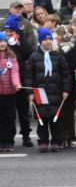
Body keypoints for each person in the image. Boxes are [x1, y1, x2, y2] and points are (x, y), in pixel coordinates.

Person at [25, 28, 71, 152]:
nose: (48, 42)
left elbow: (66, 74)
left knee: (56, 119)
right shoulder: (34, 56)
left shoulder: (58, 55)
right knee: (42, 118)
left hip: (56, 91)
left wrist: (66, 90)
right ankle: (43, 141)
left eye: (50, 39)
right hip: (40, 91)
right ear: (40, 41)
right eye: (45, 40)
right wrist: (30, 92)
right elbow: (29, 76)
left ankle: (56, 141)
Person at [3, 17, 33, 147]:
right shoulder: (3, 42)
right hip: (5, 82)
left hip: (20, 79)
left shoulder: (20, 41)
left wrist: (21, 37)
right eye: (6, 30)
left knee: (23, 110)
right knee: (8, 112)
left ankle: (26, 135)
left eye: (11, 31)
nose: (8, 33)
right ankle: (8, 137)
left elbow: (29, 52)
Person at [54, 25, 76, 148]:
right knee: (59, 112)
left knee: (69, 113)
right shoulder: (55, 50)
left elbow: (74, 68)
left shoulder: (75, 50)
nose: (57, 37)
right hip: (57, 86)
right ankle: (61, 136)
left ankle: (71, 137)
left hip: (70, 86)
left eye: (59, 35)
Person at [0, 33, 23, 152]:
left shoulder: (11, 57)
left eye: (4, 41)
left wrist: (17, 84)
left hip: (9, 94)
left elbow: (14, 73)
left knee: (9, 117)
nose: (3, 43)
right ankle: (1, 141)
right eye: (0, 41)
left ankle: (9, 141)